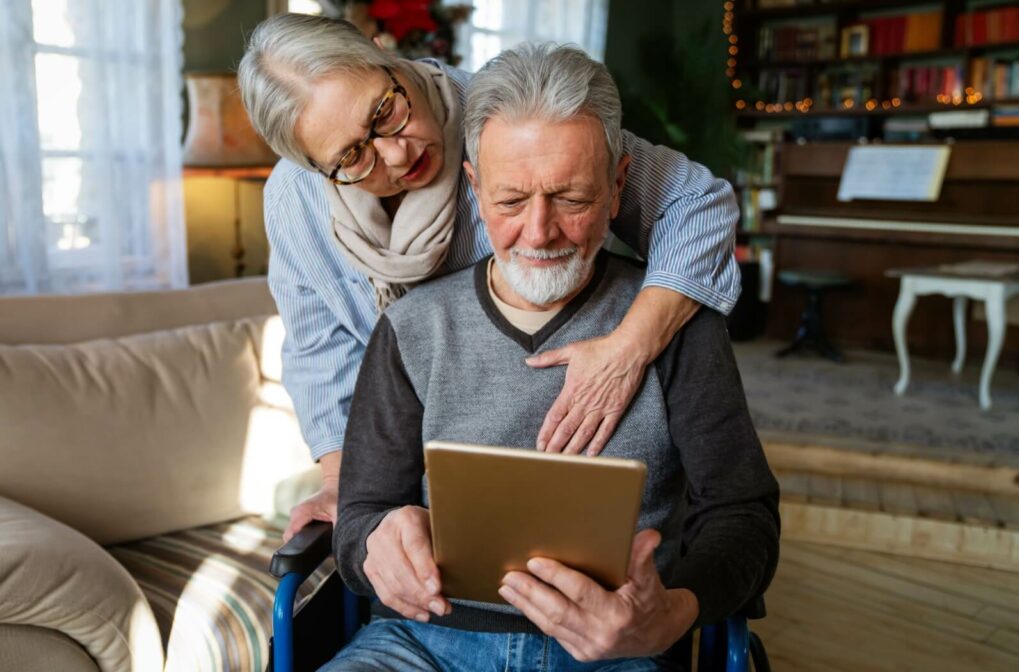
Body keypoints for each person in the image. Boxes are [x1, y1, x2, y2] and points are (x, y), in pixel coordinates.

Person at [328, 43, 780, 671]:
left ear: (619, 186)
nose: (539, 233)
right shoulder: (411, 327)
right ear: (476, 188)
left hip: (620, 648)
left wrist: (671, 613)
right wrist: (374, 542)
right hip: (424, 642)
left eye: (571, 199)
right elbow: (357, 520)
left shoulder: (682, 325)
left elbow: (743, 513)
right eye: (511, 201)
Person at [238, 14, 743, 541]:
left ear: (381, 50)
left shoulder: (509, 117)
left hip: (567, 435)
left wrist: (627, 349)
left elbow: (697, 207)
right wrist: (348, 484)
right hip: (409, 463)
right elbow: (320, 345)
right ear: (311, 165)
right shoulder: (296, 201)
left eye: (385, 112)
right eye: (351, 156)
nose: (396, 152)